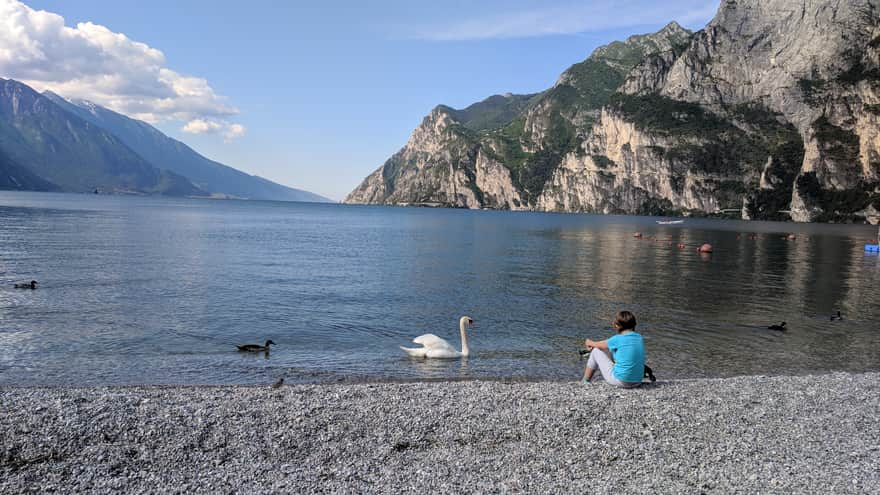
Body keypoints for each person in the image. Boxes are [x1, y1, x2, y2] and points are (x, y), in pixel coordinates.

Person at [582, 310, 645, 388]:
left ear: (617, 325)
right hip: (638, 381)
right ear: (634, 325)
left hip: (621, 382)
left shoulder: (618, 338)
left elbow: (599, 345)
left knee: (596, 351)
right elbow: (606, 344)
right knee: (610, 350)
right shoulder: (639, 338)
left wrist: (589, 342)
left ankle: (585, 380)